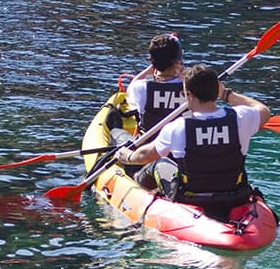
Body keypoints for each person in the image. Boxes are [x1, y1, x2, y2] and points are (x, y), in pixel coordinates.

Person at [116, 63, 271, 218]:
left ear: (189, 94)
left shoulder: (177, 127)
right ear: (215, 91)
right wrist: (226, 94)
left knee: (159, 163)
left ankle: (139, 191)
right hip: (234, 195)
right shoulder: (241, 117)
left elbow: (147, 155)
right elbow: (263, 110)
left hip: (192, 198)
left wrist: (127, 157)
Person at [125, 33, 186, 132]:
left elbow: (130, 90)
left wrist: (153, 66)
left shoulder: (139, 87)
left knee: (117, 132)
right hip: (180, 144)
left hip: (147, 143)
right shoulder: (191, 87)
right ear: (178, 62)